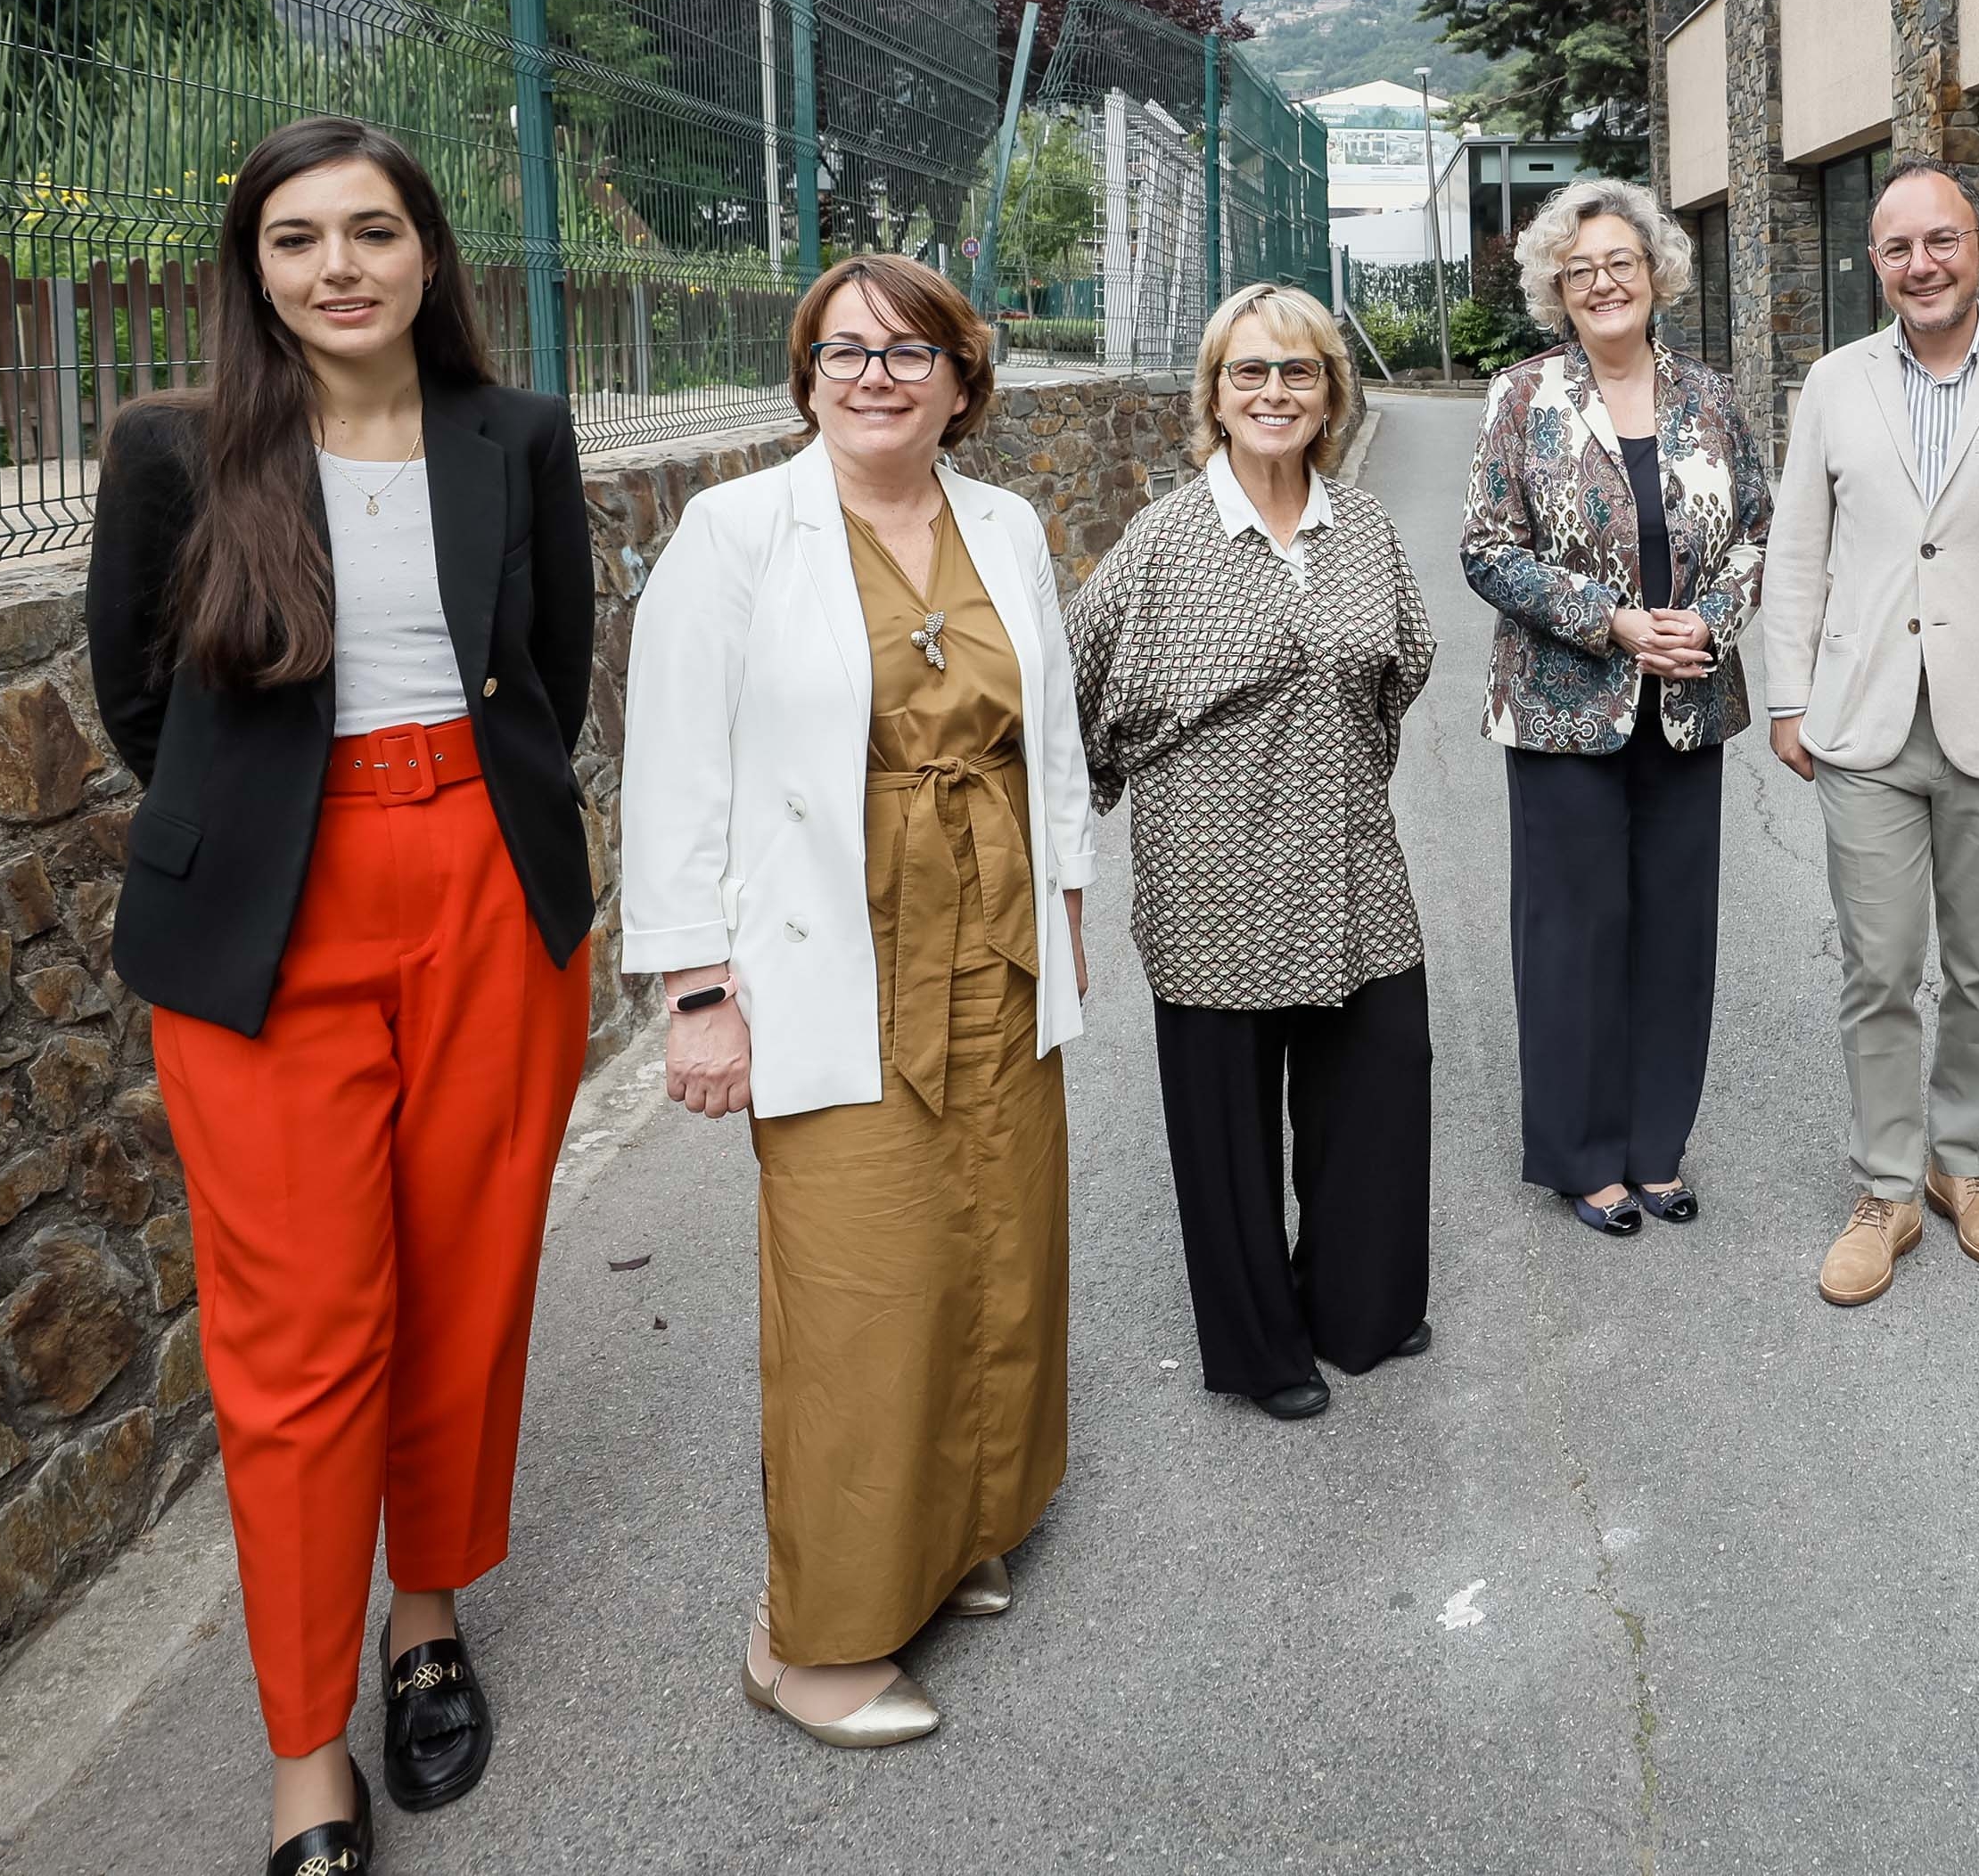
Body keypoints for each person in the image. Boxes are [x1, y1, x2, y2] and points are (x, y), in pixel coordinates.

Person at [84, 117, 594, 1874]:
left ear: (429, 254)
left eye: (373, 229)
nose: (339, 265)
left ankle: (424, 1614)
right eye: (296, 239)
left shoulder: (513, 434)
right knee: (300, 1338)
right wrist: (278, 829)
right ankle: (307, 1752)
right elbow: (138, 706)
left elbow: (557, 672)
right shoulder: (173, 451)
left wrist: (459, 820)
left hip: (483, 885)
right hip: (267, 918)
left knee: (462, 1279)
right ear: (253, 269)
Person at [621, 254, 1096, 1749]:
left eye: (907, 350)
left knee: (993, 1245)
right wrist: (696, 989)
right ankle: (809, 1636)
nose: (872, 373)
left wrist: (1068, 906)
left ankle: (954, 1530)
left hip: (998, 947)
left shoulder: (1006, 522)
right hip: (832, 958)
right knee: (857, 1288)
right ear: (805, 374)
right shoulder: (735, 530)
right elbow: (676, 765)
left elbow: (1053, 742)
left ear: (962, 379)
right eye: (842, 349)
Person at [1072, 283, 1436, 1418]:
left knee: (1378, 1081)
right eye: (1249, 372)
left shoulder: (1362, 525)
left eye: (1298, 371)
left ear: (1330, 391)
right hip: (1211, 880)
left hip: (1349, 859)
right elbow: (1075, 698)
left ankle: (1358, 1303)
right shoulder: (1163, 542)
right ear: (1214, 396)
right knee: (1228, 1125)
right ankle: (1260, 1346)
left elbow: (1402, 666)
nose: (1274, 391)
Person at [1756, 160, 1979, 1306]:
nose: (1922, 265)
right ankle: (1887, 1183)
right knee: (1879, 967)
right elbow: (1796, 549)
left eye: (1941, 241)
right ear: (1874, 263)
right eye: (1898, 248)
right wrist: (1787, 695)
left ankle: (1965, 1161)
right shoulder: (1832, 383)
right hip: (1864, 724)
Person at [1462, 179, 1771, 1233]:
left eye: (1620, 264)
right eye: (1580, 269)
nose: (1602, 282)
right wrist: (1613, 621)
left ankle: (1653, 1146)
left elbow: (1756, 532)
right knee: (1571, 934)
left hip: (1686, 705)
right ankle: (1583, 1152)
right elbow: (1485, 548)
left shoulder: (1711, 396)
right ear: (1559, 287)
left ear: (1655, 275)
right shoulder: (1521, 396)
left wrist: (1712, 618)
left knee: (1673, 934)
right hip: (1560, 711)